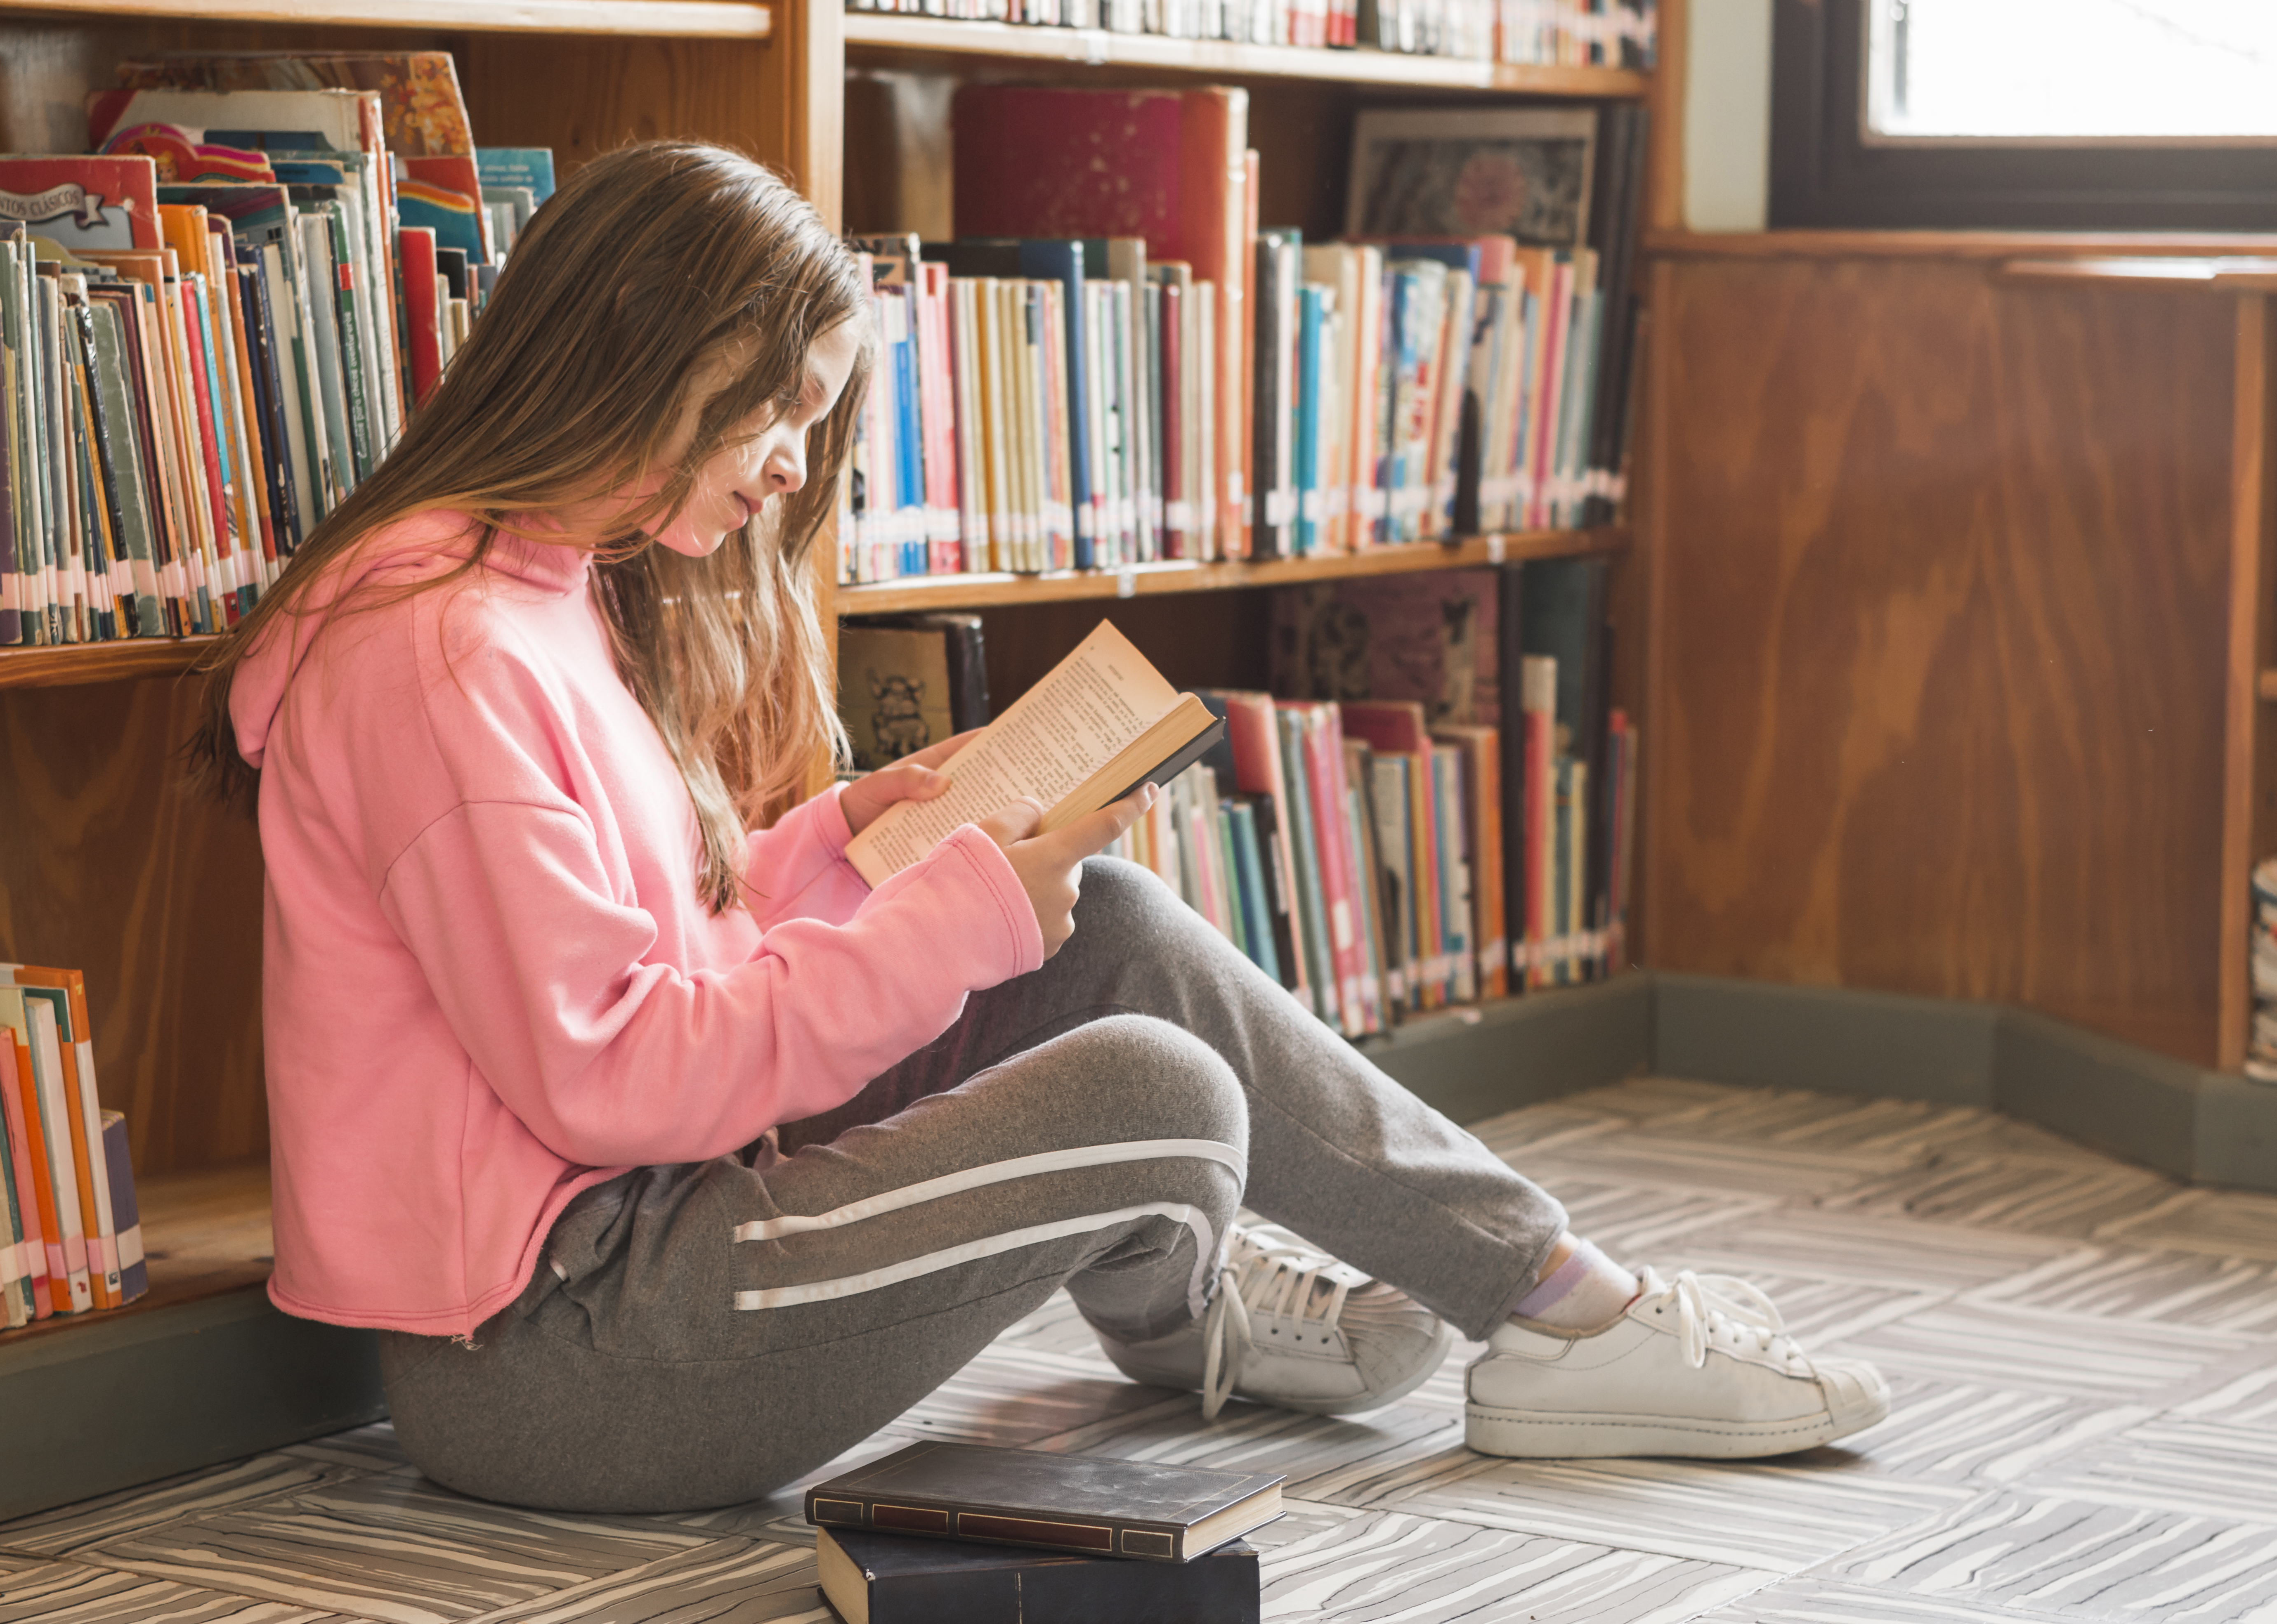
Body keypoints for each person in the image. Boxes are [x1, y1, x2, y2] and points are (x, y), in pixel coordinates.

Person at [191, 142, 1887, 1514]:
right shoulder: (441, 656)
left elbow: (651, 957)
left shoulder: (537, 594)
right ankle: (1211, 1301)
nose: (790, 468)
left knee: (1110, 931)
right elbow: (618, 1078)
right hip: (565, 1361)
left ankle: (1554, 1304)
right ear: (645, 355)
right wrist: (948, 913)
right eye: (774, 411)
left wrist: (858, 838)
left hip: (644, 1251)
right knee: (1158, 1095)